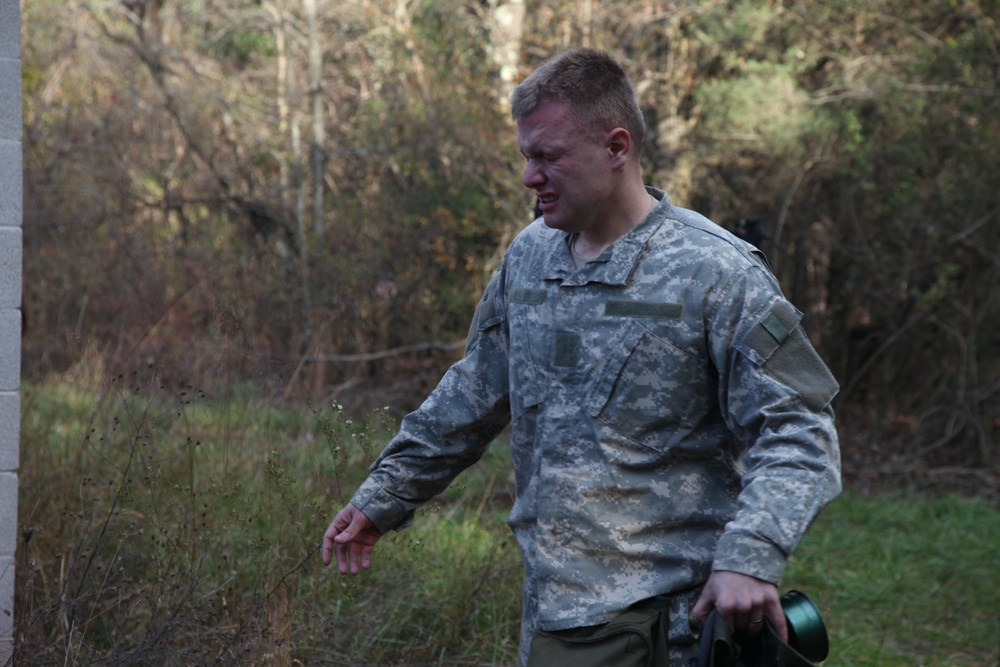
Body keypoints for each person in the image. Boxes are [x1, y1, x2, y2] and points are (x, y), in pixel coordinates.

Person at [322, 47, 841, 667]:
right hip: (554, 620)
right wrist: (385, 494)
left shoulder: (716, 272)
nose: (529, 177)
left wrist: (750, 555)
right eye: (525, 158)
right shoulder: (530, 259)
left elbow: (798, 426)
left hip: (671, 626)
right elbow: (472, 393)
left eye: (548, 157)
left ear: (617, 148)